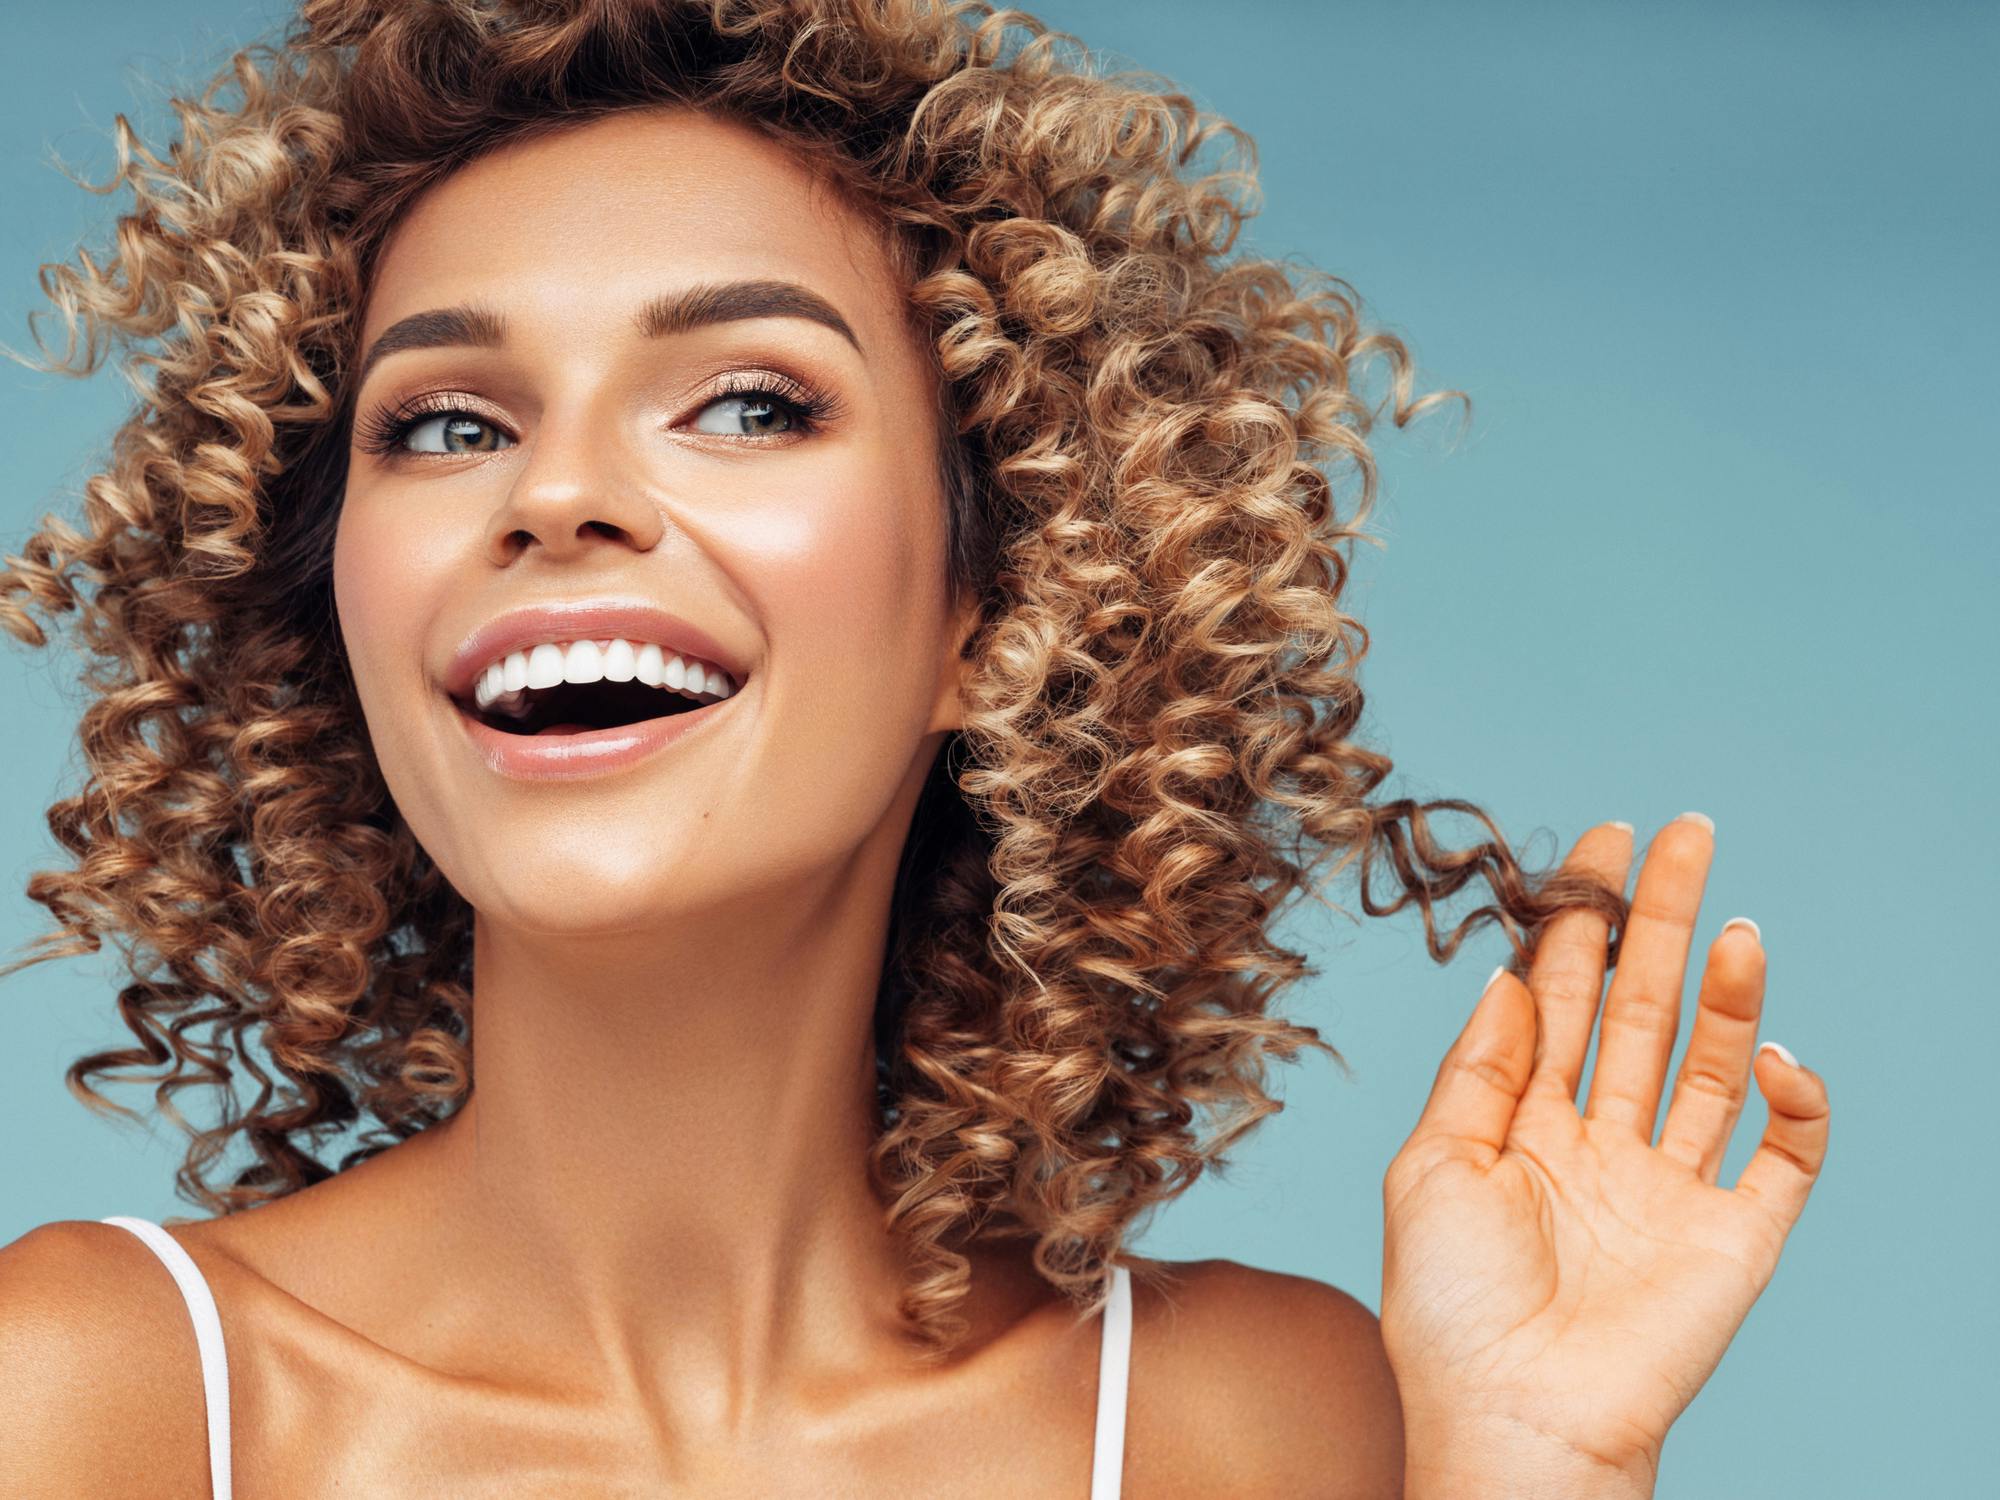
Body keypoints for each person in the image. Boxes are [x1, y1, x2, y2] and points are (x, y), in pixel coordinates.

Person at [0, 2, 1830, 1494]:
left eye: (748, 401)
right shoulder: (90, 1397)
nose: (557, 492)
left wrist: (1532, 1477)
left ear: (990, 614)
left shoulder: (1257, 1427)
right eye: (448, 422)